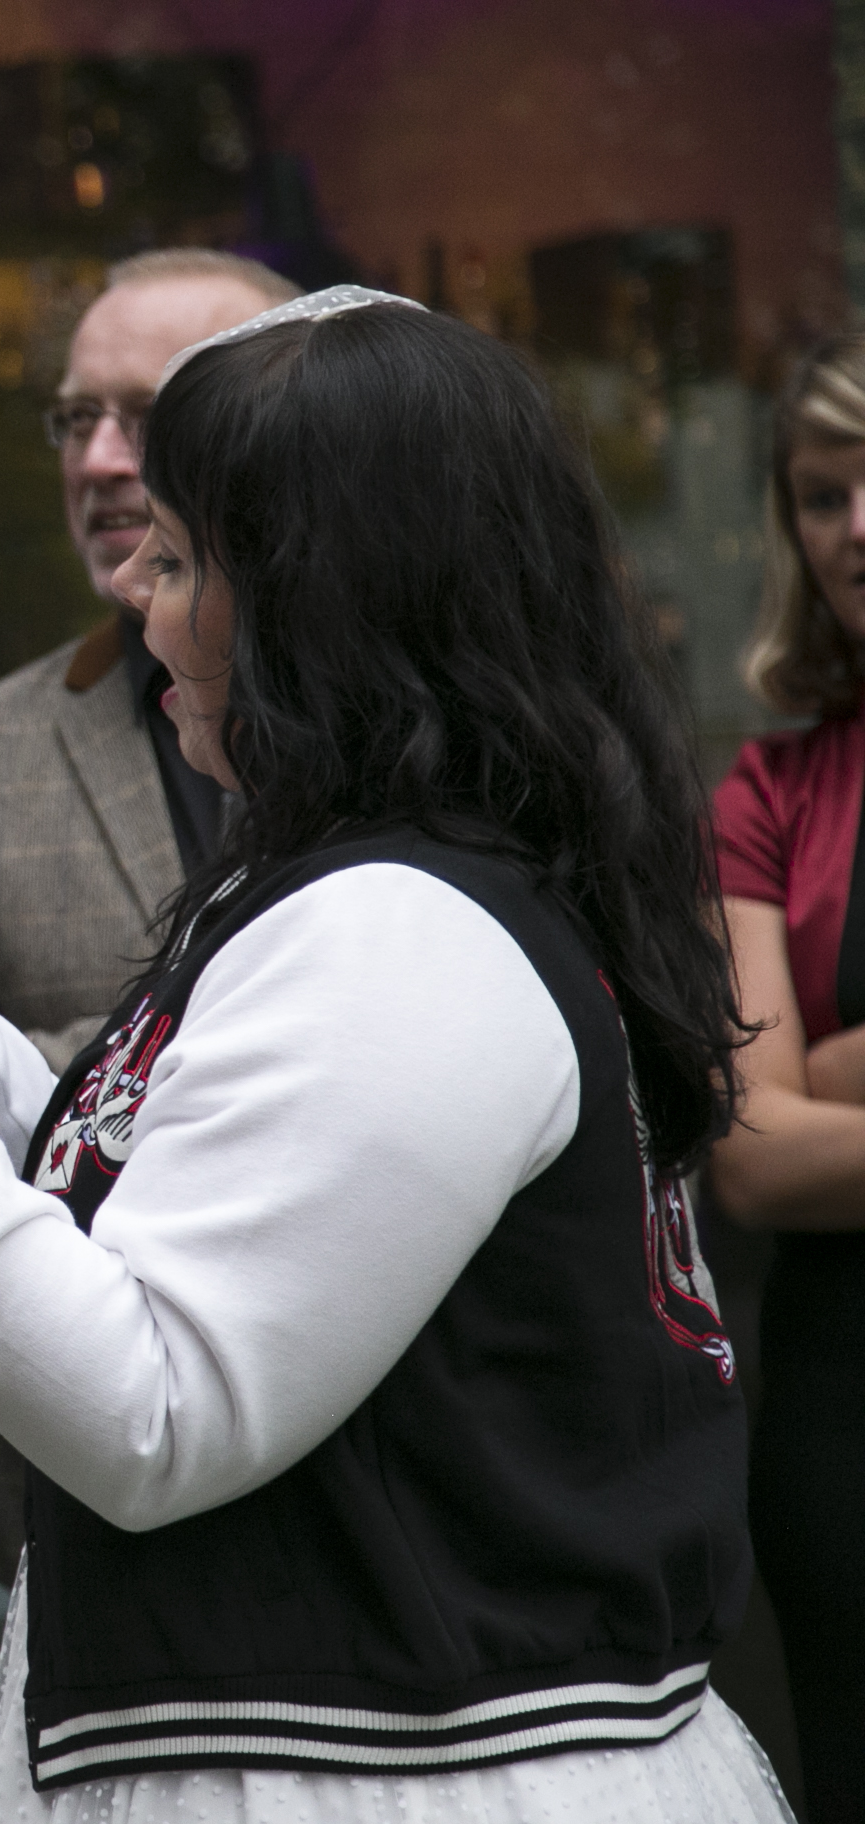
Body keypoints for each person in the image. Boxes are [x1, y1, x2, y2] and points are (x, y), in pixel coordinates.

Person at [0, 295, 786, 1817]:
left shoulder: (401, 931)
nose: (133, 595)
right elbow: (163, 1200)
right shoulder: (368, 878)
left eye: (174, 558)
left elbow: (155, 1406)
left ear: (319, 603)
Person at [0, 250, 296, 1590]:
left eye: (155, 414)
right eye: (76, 419)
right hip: (81, 1492)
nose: (105, 461)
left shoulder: (436, 750)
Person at [705, 331, 865, 1824]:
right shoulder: (770, 790)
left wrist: (838, 1066)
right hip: (844, 1414)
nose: (857, 529)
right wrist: (797, 1092)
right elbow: (753, 1157)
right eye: (823, 495)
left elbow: (807, 1102)